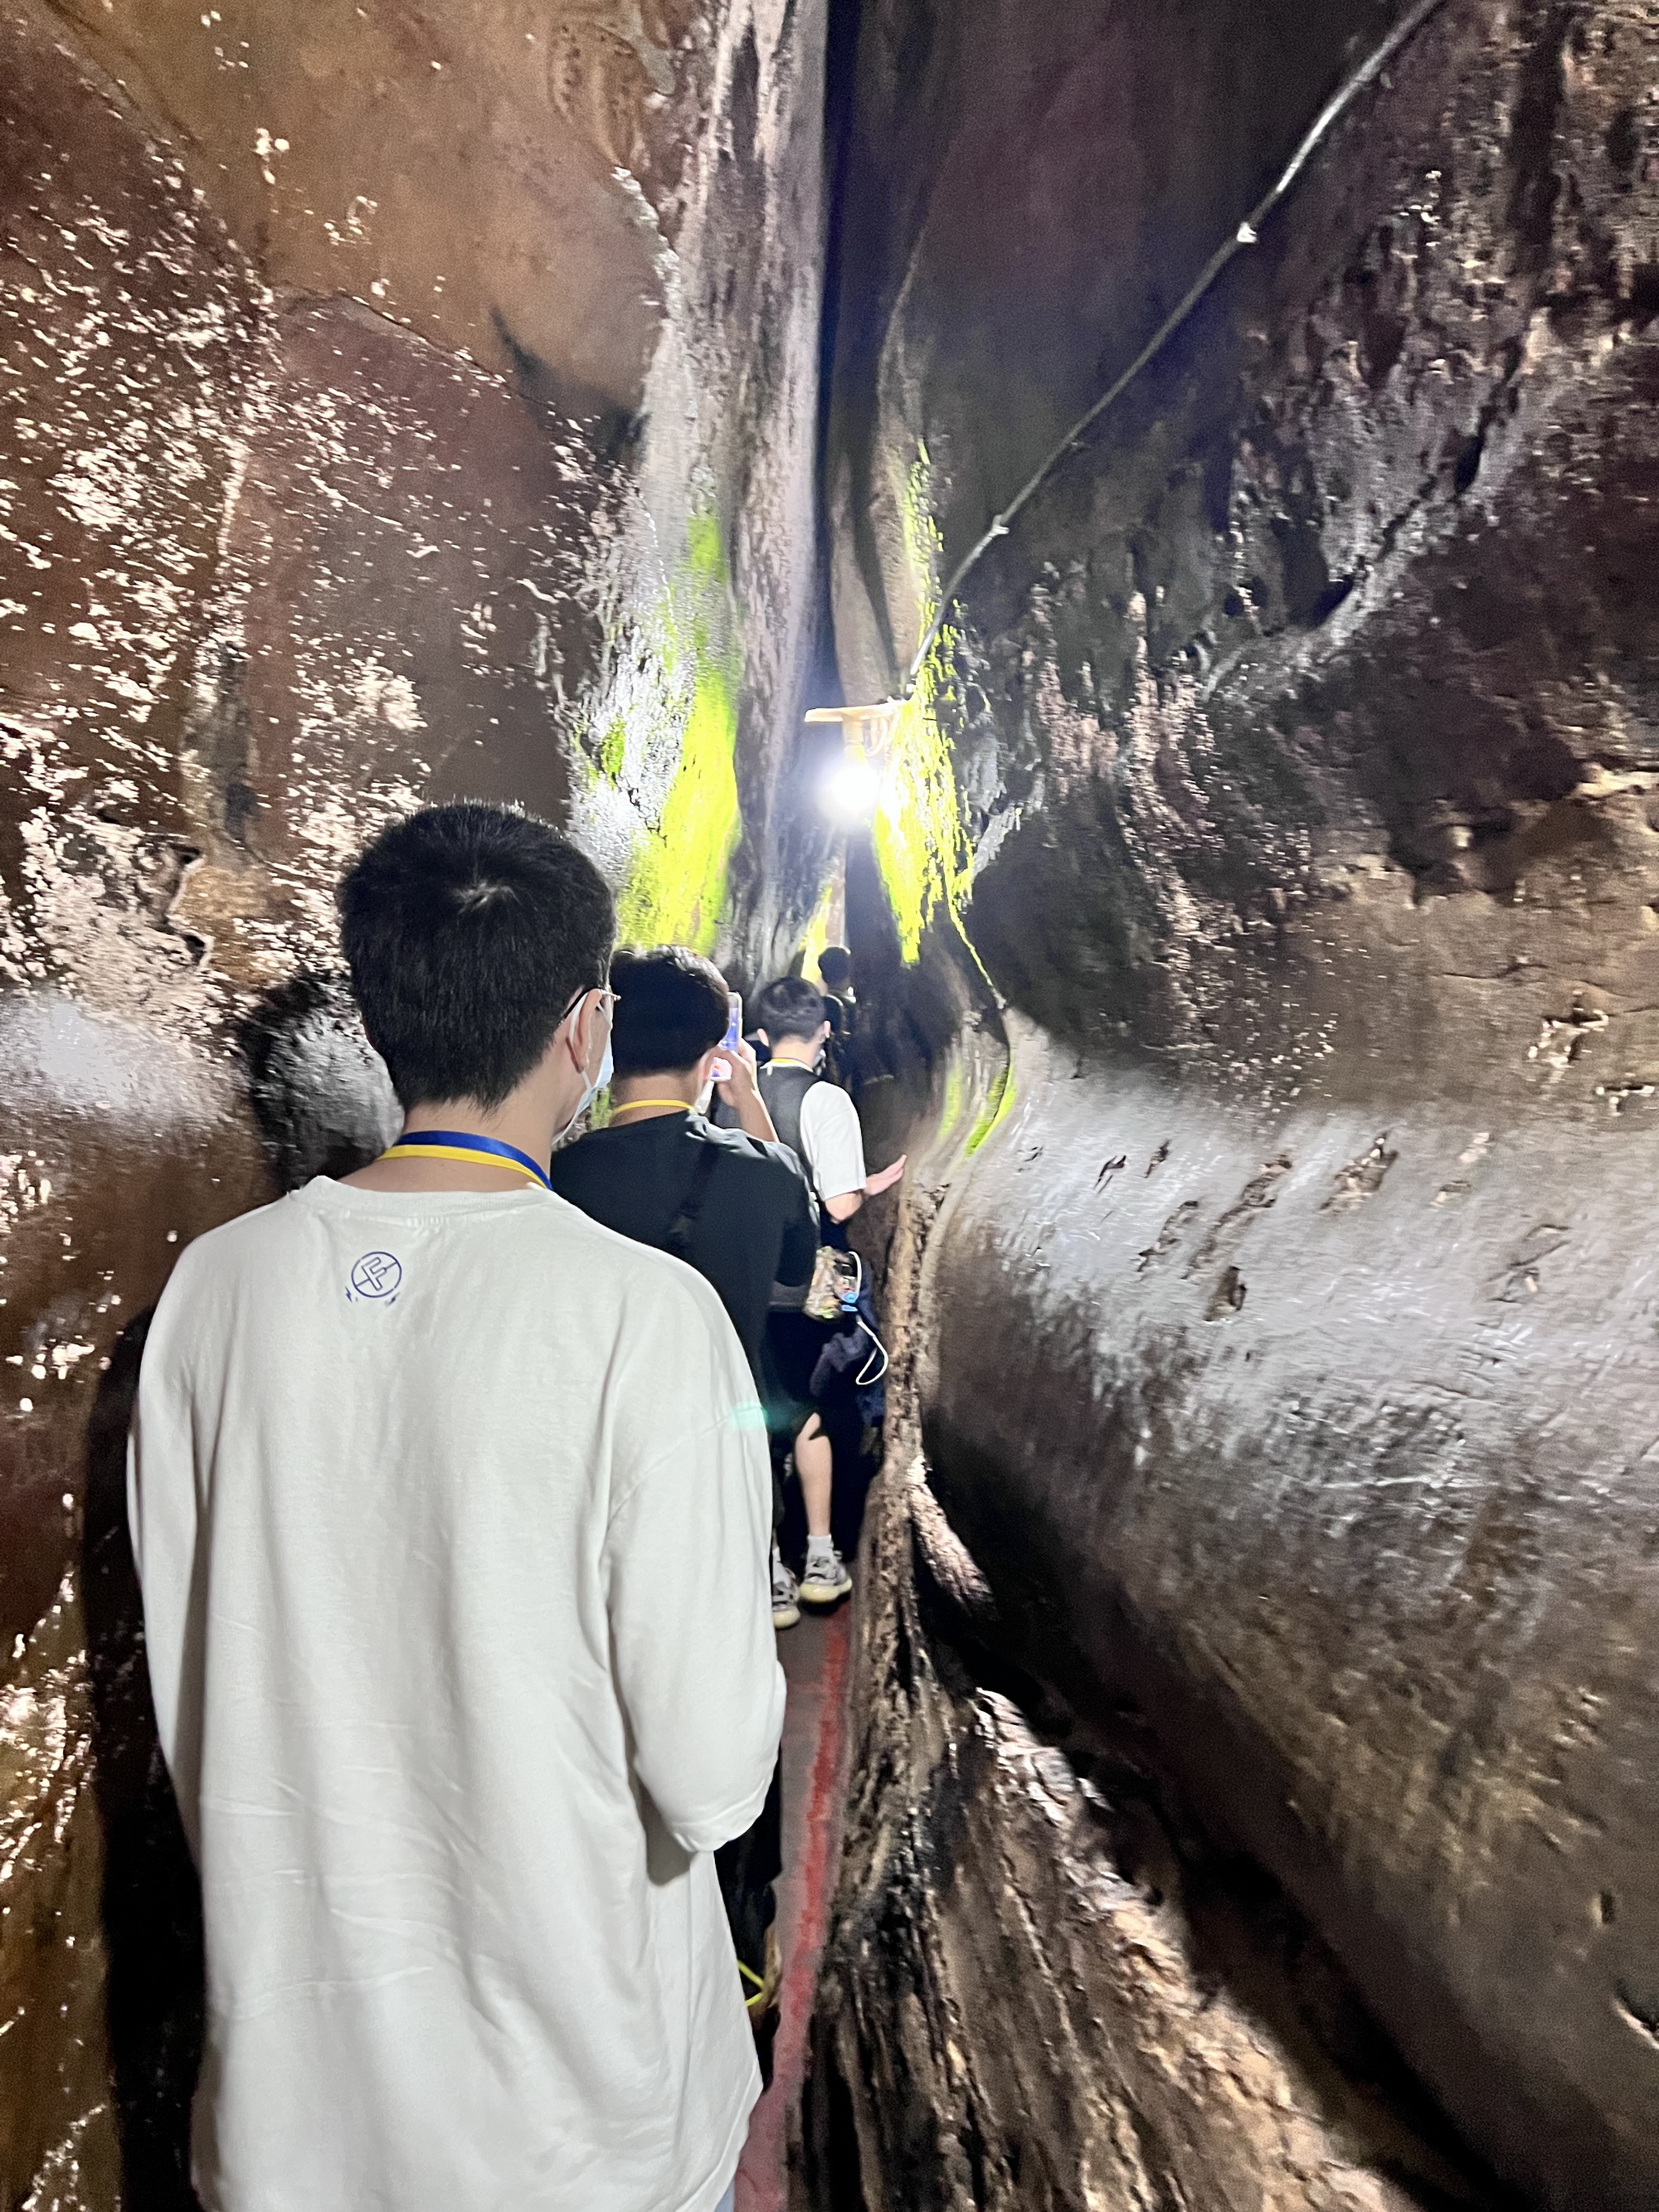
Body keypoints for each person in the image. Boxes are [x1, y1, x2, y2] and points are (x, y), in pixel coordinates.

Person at [128, 803, 782, 2212]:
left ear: (378, 1023)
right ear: (587, 1027)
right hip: (581, 2121)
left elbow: (195, 1696)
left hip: (298, 2114)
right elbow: (712, 1771)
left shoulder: (212, 1291)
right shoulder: (645, 1318)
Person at [547, 946, 817, 2049]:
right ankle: (740, 1951)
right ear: (715, 1051)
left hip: (579, 1487)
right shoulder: (762, 1175)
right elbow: (803, 1277)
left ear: (603, 1033)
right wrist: (748, 1112)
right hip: (723, 1483)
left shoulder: (549, 1178)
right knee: (726, 1704)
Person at [749, 975, 906, 1607]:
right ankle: (819, 1556)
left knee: (753, 1415)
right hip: (807, 1286)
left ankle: (767, 1566)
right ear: (823, 1032)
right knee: (811, 1409)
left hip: (738, 1276)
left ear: (762, 1035)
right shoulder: (826, 1100)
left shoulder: (722, 1093)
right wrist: (863, 1185)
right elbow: (839, 1203)